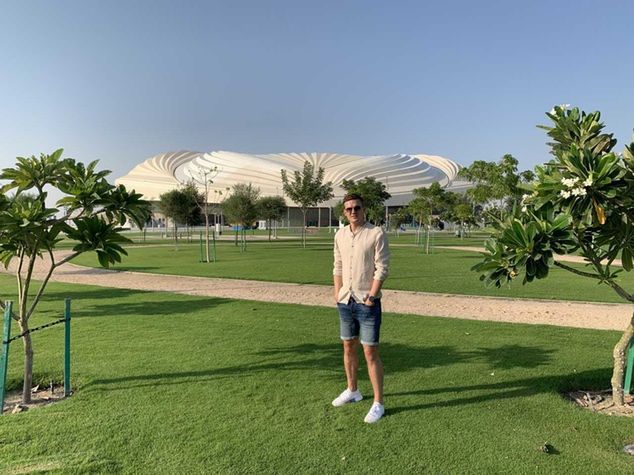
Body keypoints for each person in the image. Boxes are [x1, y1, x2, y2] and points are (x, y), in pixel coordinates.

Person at [332, 193, 390, 423]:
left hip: (367, 302)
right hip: (346, 301)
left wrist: (372, 296)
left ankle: (378, 402)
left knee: (370, 352)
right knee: (348, 346)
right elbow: (337, 265)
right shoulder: (340, 234)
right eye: (349, 209)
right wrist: (337, 293)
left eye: (357, 208)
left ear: (363, 209)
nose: (353, 212)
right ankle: (352, 390)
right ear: (344, 212)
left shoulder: (376, 233)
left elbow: (382, 268)